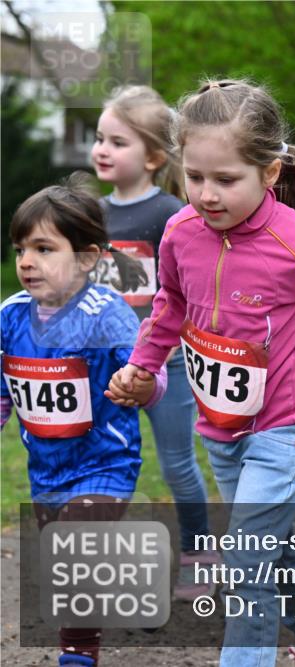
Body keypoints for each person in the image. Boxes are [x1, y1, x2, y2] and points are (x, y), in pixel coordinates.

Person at [106, 79, 295, 667]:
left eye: (225, 180)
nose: (206, 194)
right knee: (269, 543)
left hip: (287, 428)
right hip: (222, 427)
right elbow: (169, 306)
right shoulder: (180, 234)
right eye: (195, 177)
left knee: (245, 556)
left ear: (269, 173)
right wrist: (142, 367)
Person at [1, 181, 165, 667]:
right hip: (46, 469)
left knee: (76, 551)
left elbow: (152, 382)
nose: (27, 261)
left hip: (104, 464)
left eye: (44, 248)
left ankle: (77, 653)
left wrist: (141, 388)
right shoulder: (9, 316)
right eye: (20, 249)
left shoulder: (107, 316)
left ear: (88, 258)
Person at [90, 84, 219, 600]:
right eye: (100, 138)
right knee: (104, 463)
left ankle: (198, 554)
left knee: (177, 464)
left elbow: (188, 287)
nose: (102, 149)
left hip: (169, 366)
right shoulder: (90, 214)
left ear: (154, 156)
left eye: (117, 142)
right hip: (106, 368)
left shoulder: (172, 211)